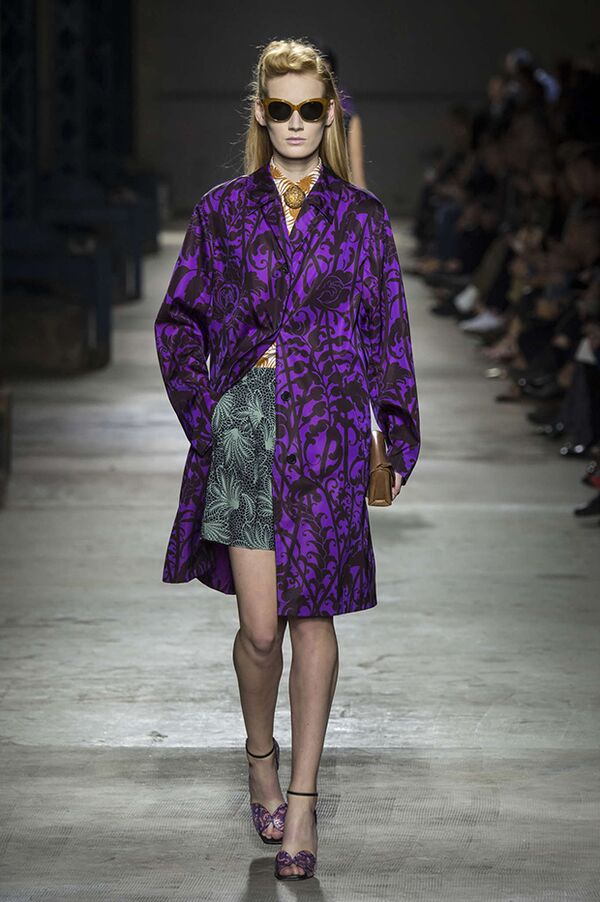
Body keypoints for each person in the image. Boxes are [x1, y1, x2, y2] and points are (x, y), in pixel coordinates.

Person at [154, 37, 421, 881]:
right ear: (261, 114)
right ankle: (259, 757)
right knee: (260, 628)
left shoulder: (362, 218)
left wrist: (395, 435)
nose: (296, 122)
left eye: (311, 108)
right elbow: (179, 322)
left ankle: (302, 804)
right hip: (245, 427)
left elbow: (388, 333)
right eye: (281, 108)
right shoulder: (222, 212)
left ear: (329, 113)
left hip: (328, 432)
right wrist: (209, 416)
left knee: (314, 618)